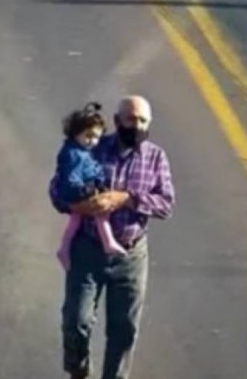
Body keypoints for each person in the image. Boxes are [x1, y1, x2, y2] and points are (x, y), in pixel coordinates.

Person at [48, 95, 175, 379]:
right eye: (131, 119)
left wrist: (126, 199)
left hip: (130, 254)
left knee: (124, 330)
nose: (137, 125)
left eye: (143, 121)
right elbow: (56, 189)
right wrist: (77, 206)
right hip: (88, 248)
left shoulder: (155, 157)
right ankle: (79, 370)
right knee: (76, 321)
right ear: (117, 121)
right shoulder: (92, 148)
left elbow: (166, 204)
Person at [54, 103, 128, 271]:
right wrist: (84, 190)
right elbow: (70, 177)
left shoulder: (81, 151)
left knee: (76, 221)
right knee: (100, 212)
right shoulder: (73, 154)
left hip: (83, 187)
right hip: (78, 191)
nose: (92, 141)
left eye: (96, 137)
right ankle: (107, 242)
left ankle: (65, 249)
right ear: (75, 132)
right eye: (88, 136)